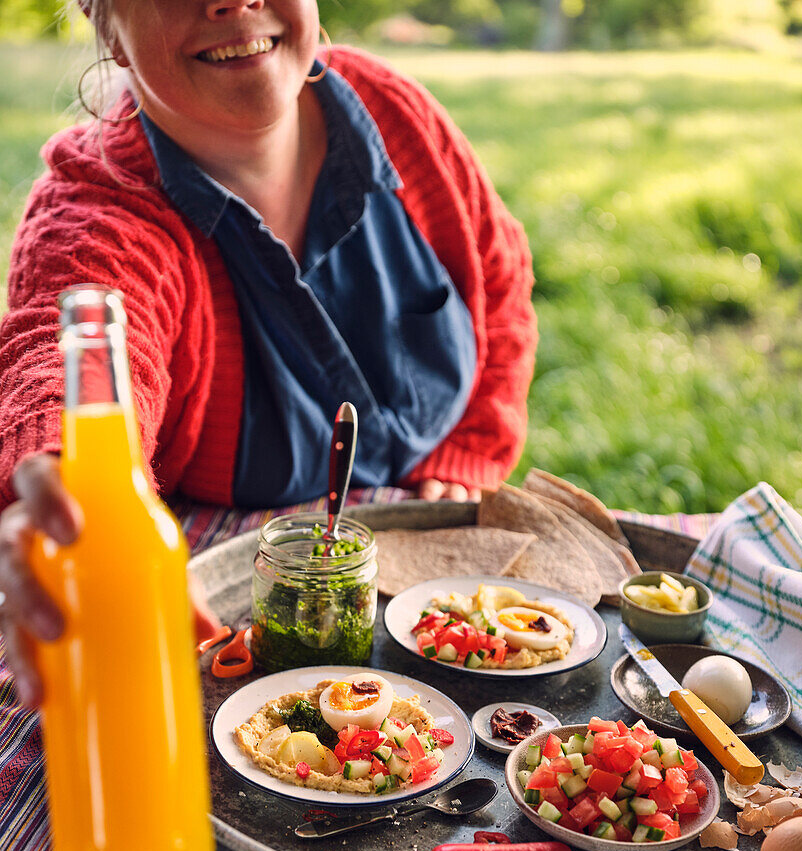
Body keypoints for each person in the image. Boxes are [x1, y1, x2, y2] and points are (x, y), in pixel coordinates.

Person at [0, 0, 537, 707]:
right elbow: (68, 356)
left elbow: (496, 279)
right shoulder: (97, 215)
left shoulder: (394, 113)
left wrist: (470, 445)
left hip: (441, 583)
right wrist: (72, 484)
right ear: (106, 24)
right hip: (240, 611)